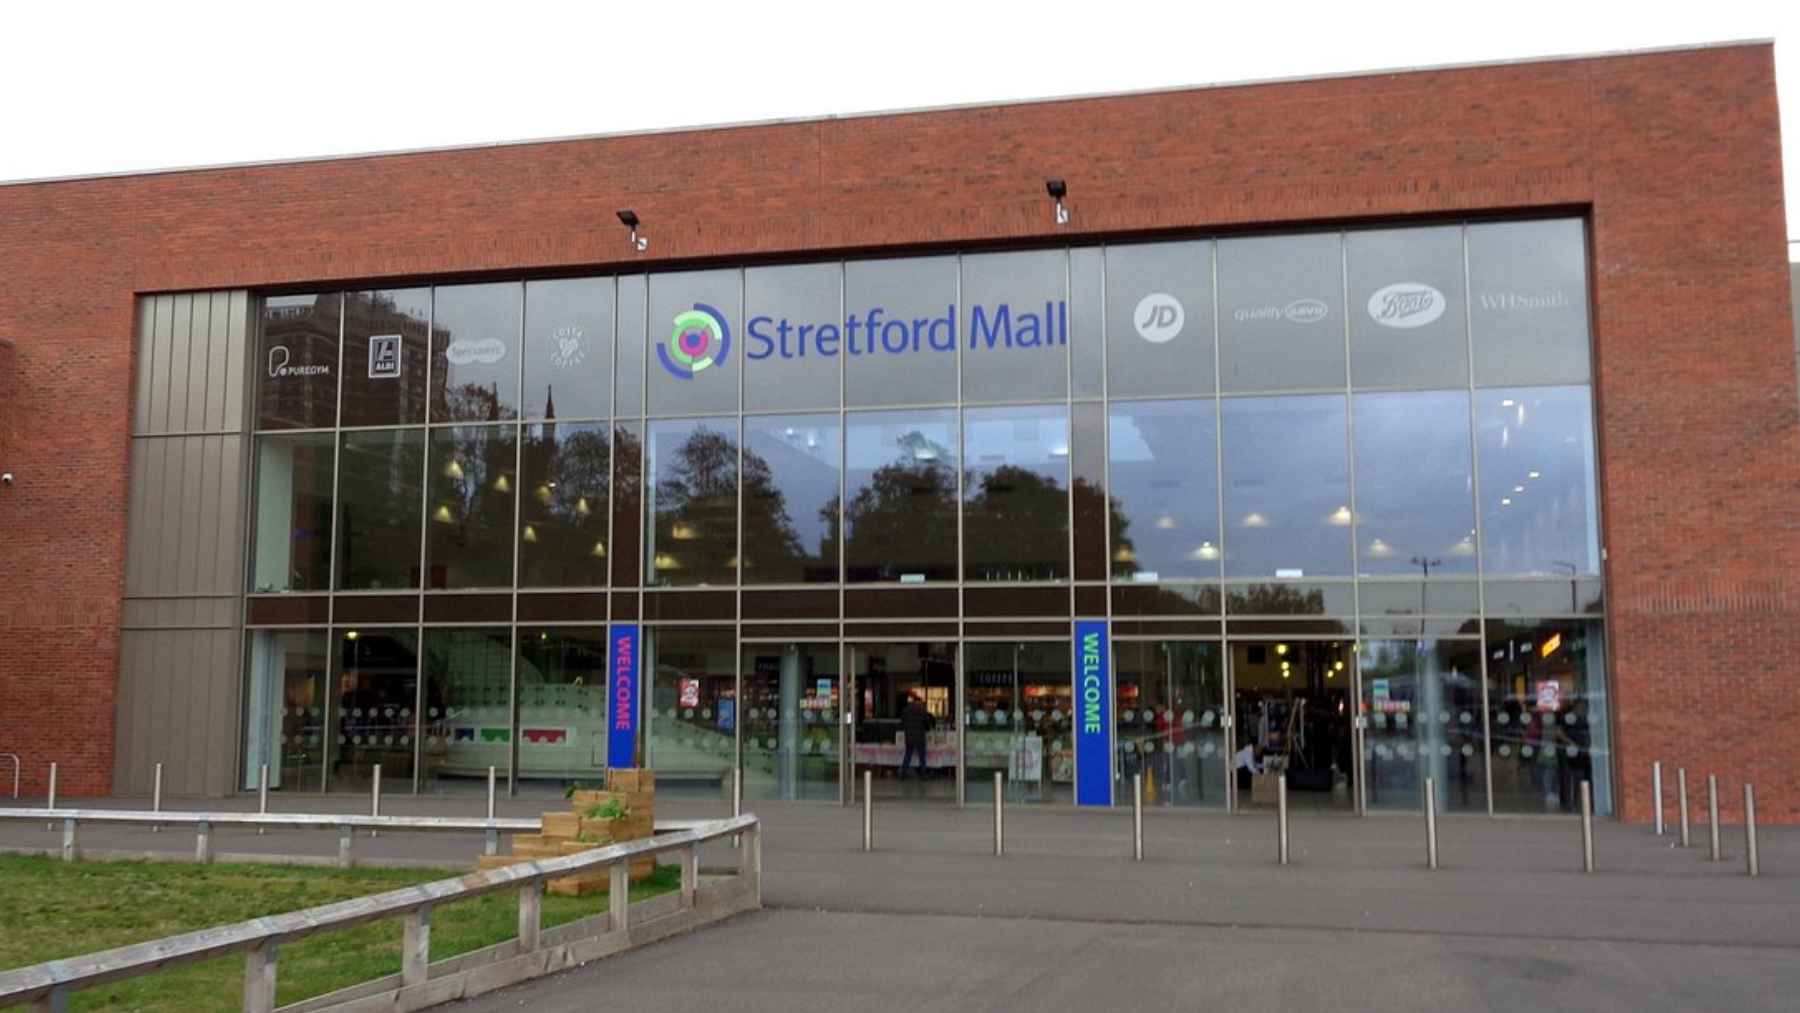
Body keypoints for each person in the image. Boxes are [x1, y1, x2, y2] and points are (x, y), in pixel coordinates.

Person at [899, 692, 934, 780]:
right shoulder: (923, 710)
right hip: (920, 737)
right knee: (922, 756)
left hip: (909, 736)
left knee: (908, 754)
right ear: (919, 702)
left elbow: (902, 723)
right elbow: (927, 724)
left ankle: (903, 773)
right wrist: (928, 728)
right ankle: (923, 774)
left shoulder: (906, 710)